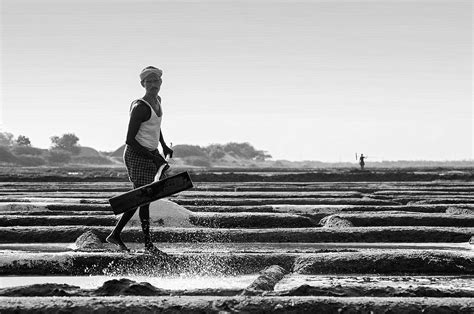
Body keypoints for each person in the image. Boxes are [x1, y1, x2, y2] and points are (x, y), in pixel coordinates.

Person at [106, 66, 173, 253]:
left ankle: (117, 235)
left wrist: (164, 146)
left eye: (156, 81)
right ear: (142, 84)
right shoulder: (140, 107)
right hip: (137, 155)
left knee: (144, 197)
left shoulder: (157, 101)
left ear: (161, 82)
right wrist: (154, 157)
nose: (153, 85)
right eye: (148, 82)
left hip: (150, 151)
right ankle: (147, 244)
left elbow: (155, 126)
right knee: (144, 197)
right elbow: (130, 140)